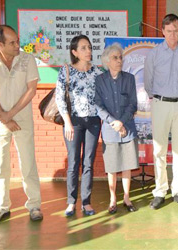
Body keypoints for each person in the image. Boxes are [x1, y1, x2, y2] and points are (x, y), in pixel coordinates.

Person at [0, 25, 43, 223]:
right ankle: (2, 207)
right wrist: (3, 116)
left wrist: (10, 114)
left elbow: (31, 90)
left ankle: (34, 205)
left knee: (28, 162)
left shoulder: (28, 59)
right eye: (12, 43)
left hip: (22, 117)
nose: (17, 45)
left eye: (17, 40)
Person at [144, 14, 178, 209]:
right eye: (168, 31)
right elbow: (148, 81)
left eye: (176, 30)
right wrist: (159, 97)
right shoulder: (155, 54)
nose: (172, 35)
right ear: (163, 32)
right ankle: (159, 191)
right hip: (161, 103)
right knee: (159, 150)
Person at [56, 35, 102, 216]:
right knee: (73, 162)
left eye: (89, 47)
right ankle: (71, 202)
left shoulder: (97, 71)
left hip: (93, 122)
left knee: (88, 162)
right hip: (73, 121)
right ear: (74, 52)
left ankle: (86, 202)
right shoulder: (66, 70)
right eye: (83, 48)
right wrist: (67, 122)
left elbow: (103, 97)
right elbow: (59, 98)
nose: (88, 51)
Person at [95, 43, 139, 214]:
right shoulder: (99, 81)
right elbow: (98, 106)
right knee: (112, 167)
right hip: (109, 130)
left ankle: (126, 198)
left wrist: (121, 122)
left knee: (127, 165)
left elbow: (132, 104)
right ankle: (113, 199)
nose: (119, 60)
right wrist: (114, 122)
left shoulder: (129, 79)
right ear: (107, 61)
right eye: (115, 58)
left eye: (120, 57)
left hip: (127, 128)